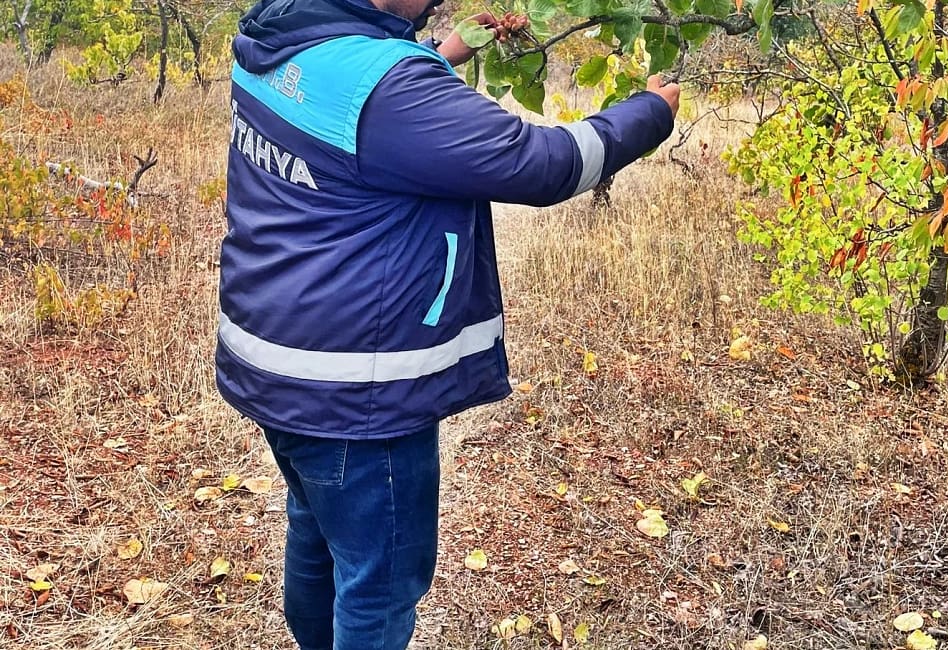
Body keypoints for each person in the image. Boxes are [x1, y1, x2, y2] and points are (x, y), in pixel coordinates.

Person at [216, 0, 679, 647]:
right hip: (356, 396)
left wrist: (441, 51)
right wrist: (651, 112)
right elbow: (544, 164)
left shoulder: (281, 34)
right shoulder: (388, 88)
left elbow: (357, 108)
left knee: (319, 529)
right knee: (378, 583)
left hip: (280, 367)